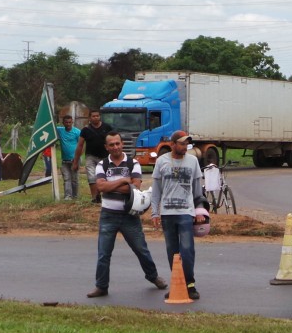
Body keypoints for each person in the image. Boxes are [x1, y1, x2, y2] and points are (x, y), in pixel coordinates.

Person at [87, 131, 166, 298]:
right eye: (111, 144)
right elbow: (100, 187)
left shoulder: (133, 163)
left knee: (141, 249)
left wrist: (112, 184)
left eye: (118, 143)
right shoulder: (102, 164)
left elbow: (135, 187)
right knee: (104, 253)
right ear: (106, 147)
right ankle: (101, 286)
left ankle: (153, 276)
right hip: (108, 215)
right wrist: (124, 181)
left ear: (122, 144)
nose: (115, 147)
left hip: (129, 215)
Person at [150, 130, 205, 301]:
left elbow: (197, 189)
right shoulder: (161, 161)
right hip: (167, 213)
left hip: (185, 213)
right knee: (172, 252)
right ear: (173, 144)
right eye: (181, 143)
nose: (184, 146)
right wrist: (154, 212)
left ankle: (190, 284)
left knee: (187, 250)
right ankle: (177, 283)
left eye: (186, 143)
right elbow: (156, 189)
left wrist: (199, 209)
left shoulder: (193, 161)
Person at [72, 109, 113, 203]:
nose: (96, 118)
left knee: (104, 176)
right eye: (93, 116)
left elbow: (112, 141)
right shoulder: (85, 130)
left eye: (97, 116)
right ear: (89, 118)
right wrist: (76, 161)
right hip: (90, 156)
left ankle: (103, 195)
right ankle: (94, 198)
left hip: (104, 157)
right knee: (91, 176)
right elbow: (80, 145)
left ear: (100, 116)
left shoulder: (107, 127)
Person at [57, 115, 82, 199]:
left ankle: (75, 196)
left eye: (69, 122)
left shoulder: (77, 132)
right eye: (66, 122)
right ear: (63, 123)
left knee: (74, 179)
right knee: (66, 178)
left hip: (75, 159)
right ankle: (68, 196)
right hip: (65, 160)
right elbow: (51, 128)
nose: (68, 124)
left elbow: (81, 145)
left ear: (72, 122)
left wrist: (77, 158)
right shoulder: (60, 130)